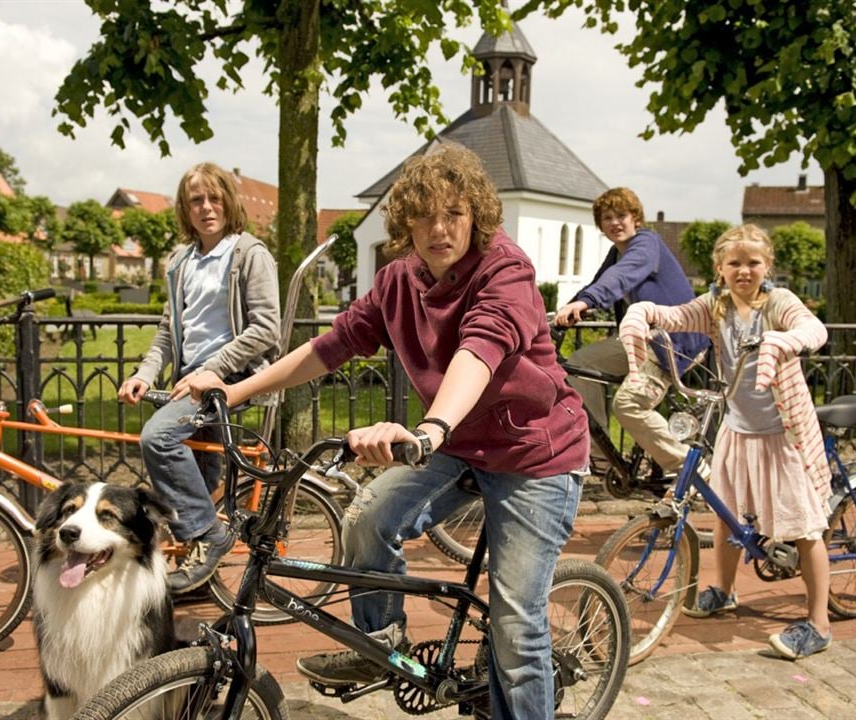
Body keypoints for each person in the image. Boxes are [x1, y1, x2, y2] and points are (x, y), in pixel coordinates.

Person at [180, 143, 588, 719]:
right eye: (424, 215)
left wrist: (431, 426)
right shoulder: (399, 280)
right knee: (366, 519)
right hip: (458, 444)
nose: (439, 229)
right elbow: (331, 345)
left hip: (534, 455)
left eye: (454, 214)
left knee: (516, 626)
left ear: (477, 216)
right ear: (406, 223)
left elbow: (481, 350)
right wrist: (231, 388)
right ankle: (381, 645)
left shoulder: (506, 270)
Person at [618, 224, 832, 660]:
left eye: (753, 262)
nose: (744, 270)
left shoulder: (779, 304)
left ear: (767, 265)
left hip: (782, 433)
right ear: (720, 268)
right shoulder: (715, 306)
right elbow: (675, 316)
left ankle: (819, 624)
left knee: (804, 527)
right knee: (725, 512)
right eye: (734, 263)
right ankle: (725, 590)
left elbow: (814, 330)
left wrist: (783, 339)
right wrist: (644, 312)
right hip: (737, 429)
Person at [118, 162, 280, 594]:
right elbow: (168, 333)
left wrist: (212, 371)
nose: (207, 207)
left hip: (231, 382)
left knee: (158, 439)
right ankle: (202, 575)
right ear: (185, 210)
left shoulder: (249, 254)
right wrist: (143, 374)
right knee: (201, 482)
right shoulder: (180, 262)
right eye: (196, 200)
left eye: (215, 197)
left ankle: (210, 538)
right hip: (190, 383)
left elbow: (266, 328)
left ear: (229, 200)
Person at [554, 187, 708, 477]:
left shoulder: (646, 244)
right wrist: (567, 310)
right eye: (607, 218)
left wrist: (588, 300)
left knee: (629, 406)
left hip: (672, 342)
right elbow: (596, 286)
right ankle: (600, 457)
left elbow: (621, 278)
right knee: (577, 366)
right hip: (641, 339)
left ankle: (690, 468)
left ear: (636, 218)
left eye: (621, 215)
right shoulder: (616, 253)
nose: (615, 222)